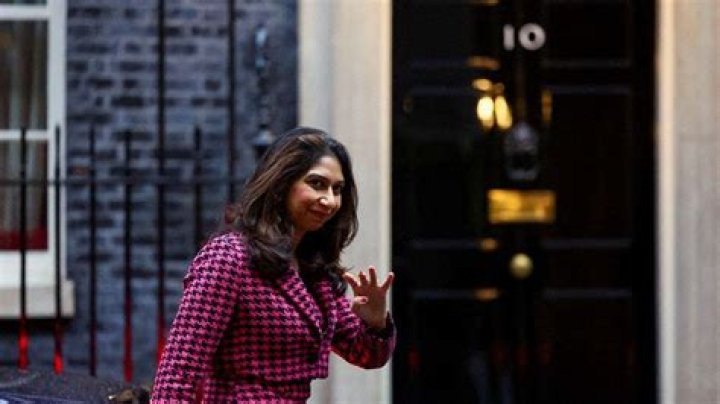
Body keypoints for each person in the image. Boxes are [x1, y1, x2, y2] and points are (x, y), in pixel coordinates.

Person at [151, 127, 395, 403]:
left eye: (337, 189)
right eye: (316, 183)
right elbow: (177, 376)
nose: (329, 200)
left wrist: (375, 321)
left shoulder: (314, 271)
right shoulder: (229, 257)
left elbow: (366, 355)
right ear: (282, 184)